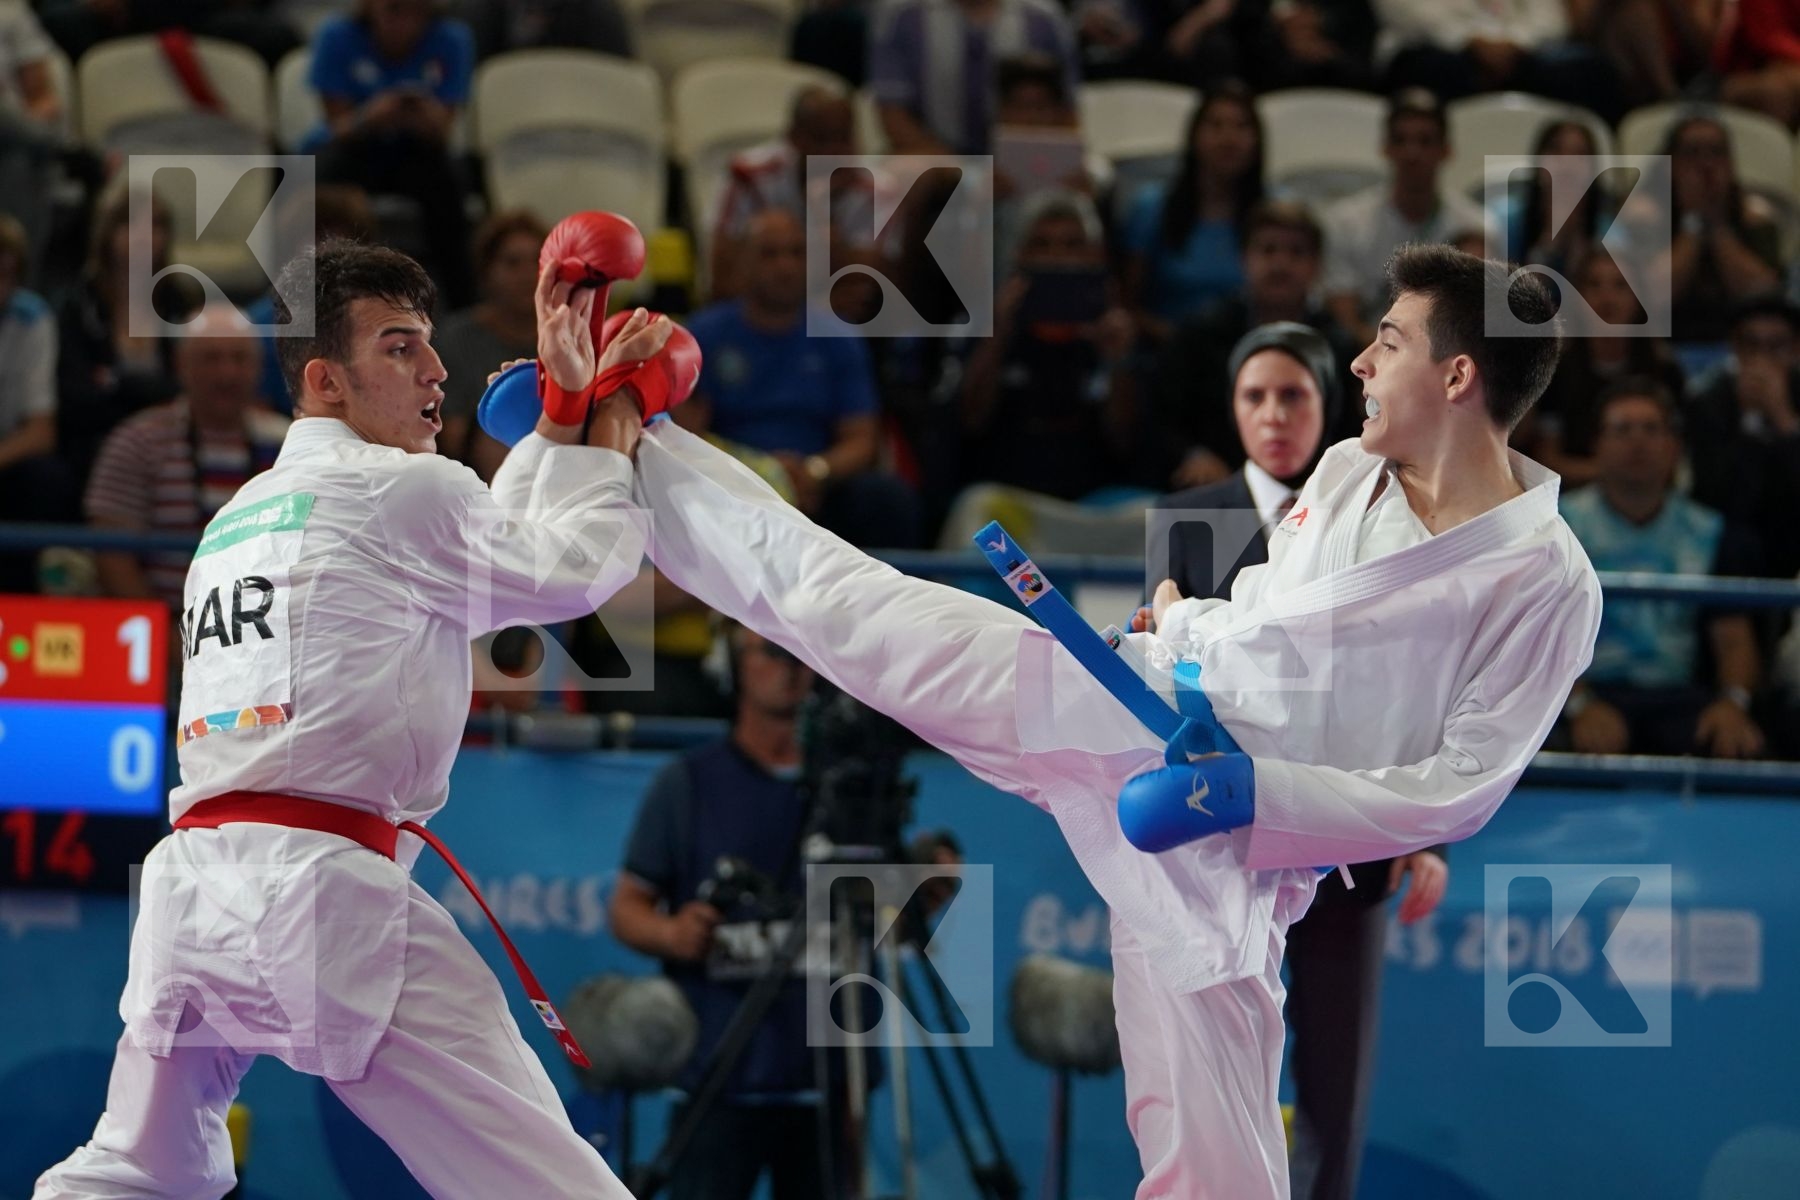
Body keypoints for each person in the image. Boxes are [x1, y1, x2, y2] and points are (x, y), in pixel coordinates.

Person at [621, 243, 1602, 1198]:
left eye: (1388, 342)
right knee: (858, 611)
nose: (1359, 363)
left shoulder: (1547, 577)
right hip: (1128, 707)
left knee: (1211, 1162)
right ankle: (630, 449)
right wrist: (1178, 622)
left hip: (1233, 848)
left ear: (1458, 373)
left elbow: (1461, 787)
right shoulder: (1350, 470)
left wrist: (1254, 796)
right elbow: (1262, 623)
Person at [32, 237, 673, 1198]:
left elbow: (481, 550)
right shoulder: (400, 489)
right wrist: (614, 415)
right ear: (327, 380)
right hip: (324, 901)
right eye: (401, 346)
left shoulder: (241, 513)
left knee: (133, 1173)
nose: (436, 369)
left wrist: (556, 419)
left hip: (195, 896)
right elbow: (574, 565)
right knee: (548, 1183)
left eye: (427, 344)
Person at [1149, 322, 1446, 1200]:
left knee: (1332, 1077)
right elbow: (1164, 674)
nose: (1274, 415)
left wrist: (1427, 833)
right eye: (1254, 397)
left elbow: (1416, 684)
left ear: (1332, 404)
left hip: (1348, 831)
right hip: (1218, 835)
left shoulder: (1392, 511)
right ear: (1232, 409)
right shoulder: (1188, 516)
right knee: (1211, 1070)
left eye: (1294, 395)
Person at [608, 622, 836, 1200]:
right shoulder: (688, 783)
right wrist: (672, 933)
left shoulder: (847, 789)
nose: (790, 668)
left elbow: (882, 918)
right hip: (718, 1076)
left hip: (827, 1081)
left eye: (802, 653)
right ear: (733, 666)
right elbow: (627, 908)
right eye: (772, 652)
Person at [680, 208, 919, 548]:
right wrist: (759, 474)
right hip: (730, 483)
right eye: (770, 254)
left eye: (796, 253)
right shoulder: (702, 336)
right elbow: (687, 433)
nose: (785, 266)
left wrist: (814, 471)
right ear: (744, 264)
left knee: (886, 499)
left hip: (816, 487)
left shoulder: (839, 337)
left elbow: (862, 439)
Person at [1558, 378, 1767, 758]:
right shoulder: (1557, 527)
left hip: (1679, 697)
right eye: (1622, 429)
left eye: (1652, 429)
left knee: (1739, 744)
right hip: (1582, 692)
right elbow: (1535, 634)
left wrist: (1733, 703)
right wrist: (1579, 704)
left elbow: (1734, 638)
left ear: (1674, 447)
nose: (1638, 442)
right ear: (1597, 446)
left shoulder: (1711, 533)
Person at [83, 304, 291, 613]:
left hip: (265, 632)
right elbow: (113, 557)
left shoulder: (286, 444)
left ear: (259, 368)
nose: (227, 373)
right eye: (211, 358)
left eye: (239, 358)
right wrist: (171, 641)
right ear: (182, 365)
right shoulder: (138, 441)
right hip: (164, 635)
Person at [1148, 199, 1360, 490]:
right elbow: (1161, 416)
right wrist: (1193, 455)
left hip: (1310, 495)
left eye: (1296, 252)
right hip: (1216, 485)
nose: (1280, 264)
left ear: (1316, 266)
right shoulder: (1201, 332)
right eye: (1268, 249)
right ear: (1244, 258)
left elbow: (1348, 435)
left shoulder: (1338, 345)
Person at [960, 190, 1138, 501]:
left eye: (1072, 245)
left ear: (1094, 256)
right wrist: (998, 336)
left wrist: (1117, 360)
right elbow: (970, 420)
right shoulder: (989, 328)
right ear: (1020, 257)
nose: (1057, 256)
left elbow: (1126, 439)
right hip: (1008, 494)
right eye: (1042, 245)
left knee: (1148, 516)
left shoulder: (1113, 334)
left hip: (1095, 498)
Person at [306, 0, 478, 307]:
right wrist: (372, 116)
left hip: (416, 151)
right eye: (394, 10)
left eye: (416, 13)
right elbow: (339, 126)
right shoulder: (337, 35)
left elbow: (443, 131)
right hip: (356, 146)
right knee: (309, 174)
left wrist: (423, 114)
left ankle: (462, 302)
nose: (404, 24)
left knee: (451, 181)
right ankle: (300, 294)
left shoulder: (453, 39)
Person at [1322, 89, 1494, 348]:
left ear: (1446, 150)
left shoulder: (1478, 226)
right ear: (1386, 149)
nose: (1412, 153)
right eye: (1401, 140)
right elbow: (1346, 320)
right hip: (1368, 356)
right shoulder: (1346, 223)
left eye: (1425, 141)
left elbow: (1478, 318)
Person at [1518, 247, 1686, 489]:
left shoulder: (1665, 370)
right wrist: (1614, 472)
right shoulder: (1555, 369)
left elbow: (1673, 457)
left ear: (1638, 299)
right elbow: (1547, 460)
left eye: (1620, 285)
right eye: (1594, 285)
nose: (1607, 297)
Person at [1119, 81, 1264, 343]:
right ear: (1194, 135)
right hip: (1165, 351)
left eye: (1241, 126)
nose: (1228, 138)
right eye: (1216, 125)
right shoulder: (1152, 207)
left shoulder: (1275, 212)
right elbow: (1126, 302)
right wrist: (1187, 345)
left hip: (1255, 354)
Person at [709, 85, 874, 304]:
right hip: (754, 316)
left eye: (844, 139)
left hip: (828, 322)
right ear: (794, 138)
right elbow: (722, 279)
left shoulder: (871, 188)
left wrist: (820, 213)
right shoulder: (749, 177)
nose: (836, 152)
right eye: (823, 139)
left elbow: (863, 291)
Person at [1683, 292, 1800, 581]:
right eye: (1752, 345)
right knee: (1734, 542)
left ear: (1796, 350)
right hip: (1731, 547)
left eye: (1776, 346)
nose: (1762, 358)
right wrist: (1749, 418)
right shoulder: (1708, 403)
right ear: (1734, 347)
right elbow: (1713, 497)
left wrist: (1783, 418)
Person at [867, 0, 1080, 156]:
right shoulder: (901, 16)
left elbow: (1067, 112)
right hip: (933, 160)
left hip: (1023, 160)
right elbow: (892, 113)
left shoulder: (1044, 18)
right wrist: (957, 170)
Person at [1654, 113, 1784, 345]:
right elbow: (1651, 297)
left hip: (1742, 350)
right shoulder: (1647, 220)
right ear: (1670, 165)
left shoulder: (1757, 222)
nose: (1706, 165)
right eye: (1692, 153)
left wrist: (1716, 225)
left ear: (1731, 165)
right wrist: (1692, 222)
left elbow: (1765, 298)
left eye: (1716, 152)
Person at [1373, 0, 1622, 121]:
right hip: (1435, 44)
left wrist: (1516, 44)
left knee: (1590, 71)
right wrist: (1467, 40)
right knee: (1435, 72)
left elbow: (1552, 17)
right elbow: (1404, 9)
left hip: (1519, 51)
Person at [436, 208, 547, 479]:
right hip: (483, 469)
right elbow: (452, 437)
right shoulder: (457, 337)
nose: (527, 274)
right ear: (486, 273)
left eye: (537, 262)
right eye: (512, 263)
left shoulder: (572, 333)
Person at [0, 211, 71, 593]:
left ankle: (18, 600)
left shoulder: (33, 319)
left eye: (8, 276)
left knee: (47, 480)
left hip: (6, 462)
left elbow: (40, 433)